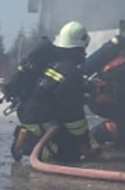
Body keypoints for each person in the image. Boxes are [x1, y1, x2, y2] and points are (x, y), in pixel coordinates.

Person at [8, 21, 99, 163]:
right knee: (71, 153)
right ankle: (29, 144)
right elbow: (73, 115)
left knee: (66, 134)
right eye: (83, 49)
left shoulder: (51, 60)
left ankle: (31, 136)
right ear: (77, 48)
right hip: (41, 120)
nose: (84, 53)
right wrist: (83, 141)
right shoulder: (70, 71)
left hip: (27, 111)